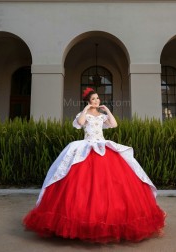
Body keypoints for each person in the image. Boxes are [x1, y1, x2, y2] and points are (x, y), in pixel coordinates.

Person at [23, 87, 166, 243]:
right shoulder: (83, 115)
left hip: (102, 146)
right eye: (93, 99)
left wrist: (108, 111)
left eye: (98, 98)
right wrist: (85, 109)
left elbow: (114, 124)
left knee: (112, 183)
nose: (97, 101)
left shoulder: (102, 116)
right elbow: (80, 123)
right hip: (86, 146)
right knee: (80, 183)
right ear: (88, 101)